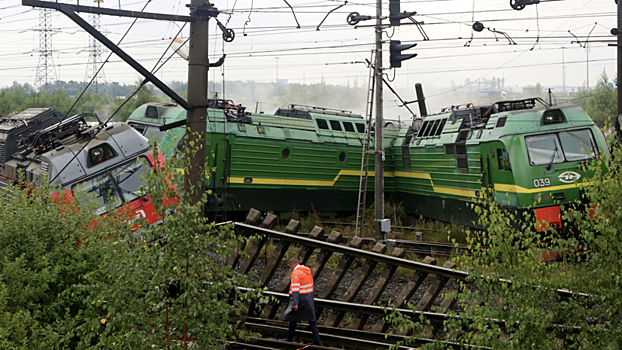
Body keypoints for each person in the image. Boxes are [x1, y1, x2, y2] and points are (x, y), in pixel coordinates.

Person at [281, 258, 321, 345]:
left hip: (300, 298)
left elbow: (295, 289)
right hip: (308, 297)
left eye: (290, 266)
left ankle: (289, 338)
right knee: (310, 319)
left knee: (292, 316)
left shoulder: (296, 273)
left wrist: (295, 303)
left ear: (292, 265)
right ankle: (316, 339)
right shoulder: (307, 271)